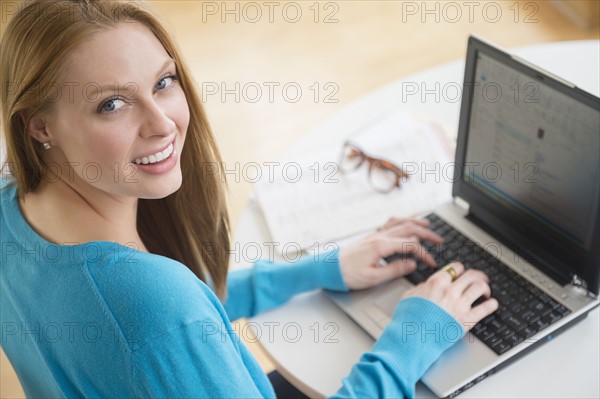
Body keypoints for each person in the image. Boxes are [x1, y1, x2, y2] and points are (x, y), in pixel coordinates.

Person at [0, 1, 498, 397]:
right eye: (112, 104)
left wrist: (321, 269)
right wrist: (410, 344)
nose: (163, 123)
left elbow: (163, 337)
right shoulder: (152, 302)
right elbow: (162, 326)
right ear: (39, 125)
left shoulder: (12, 213)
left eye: (163, 82)